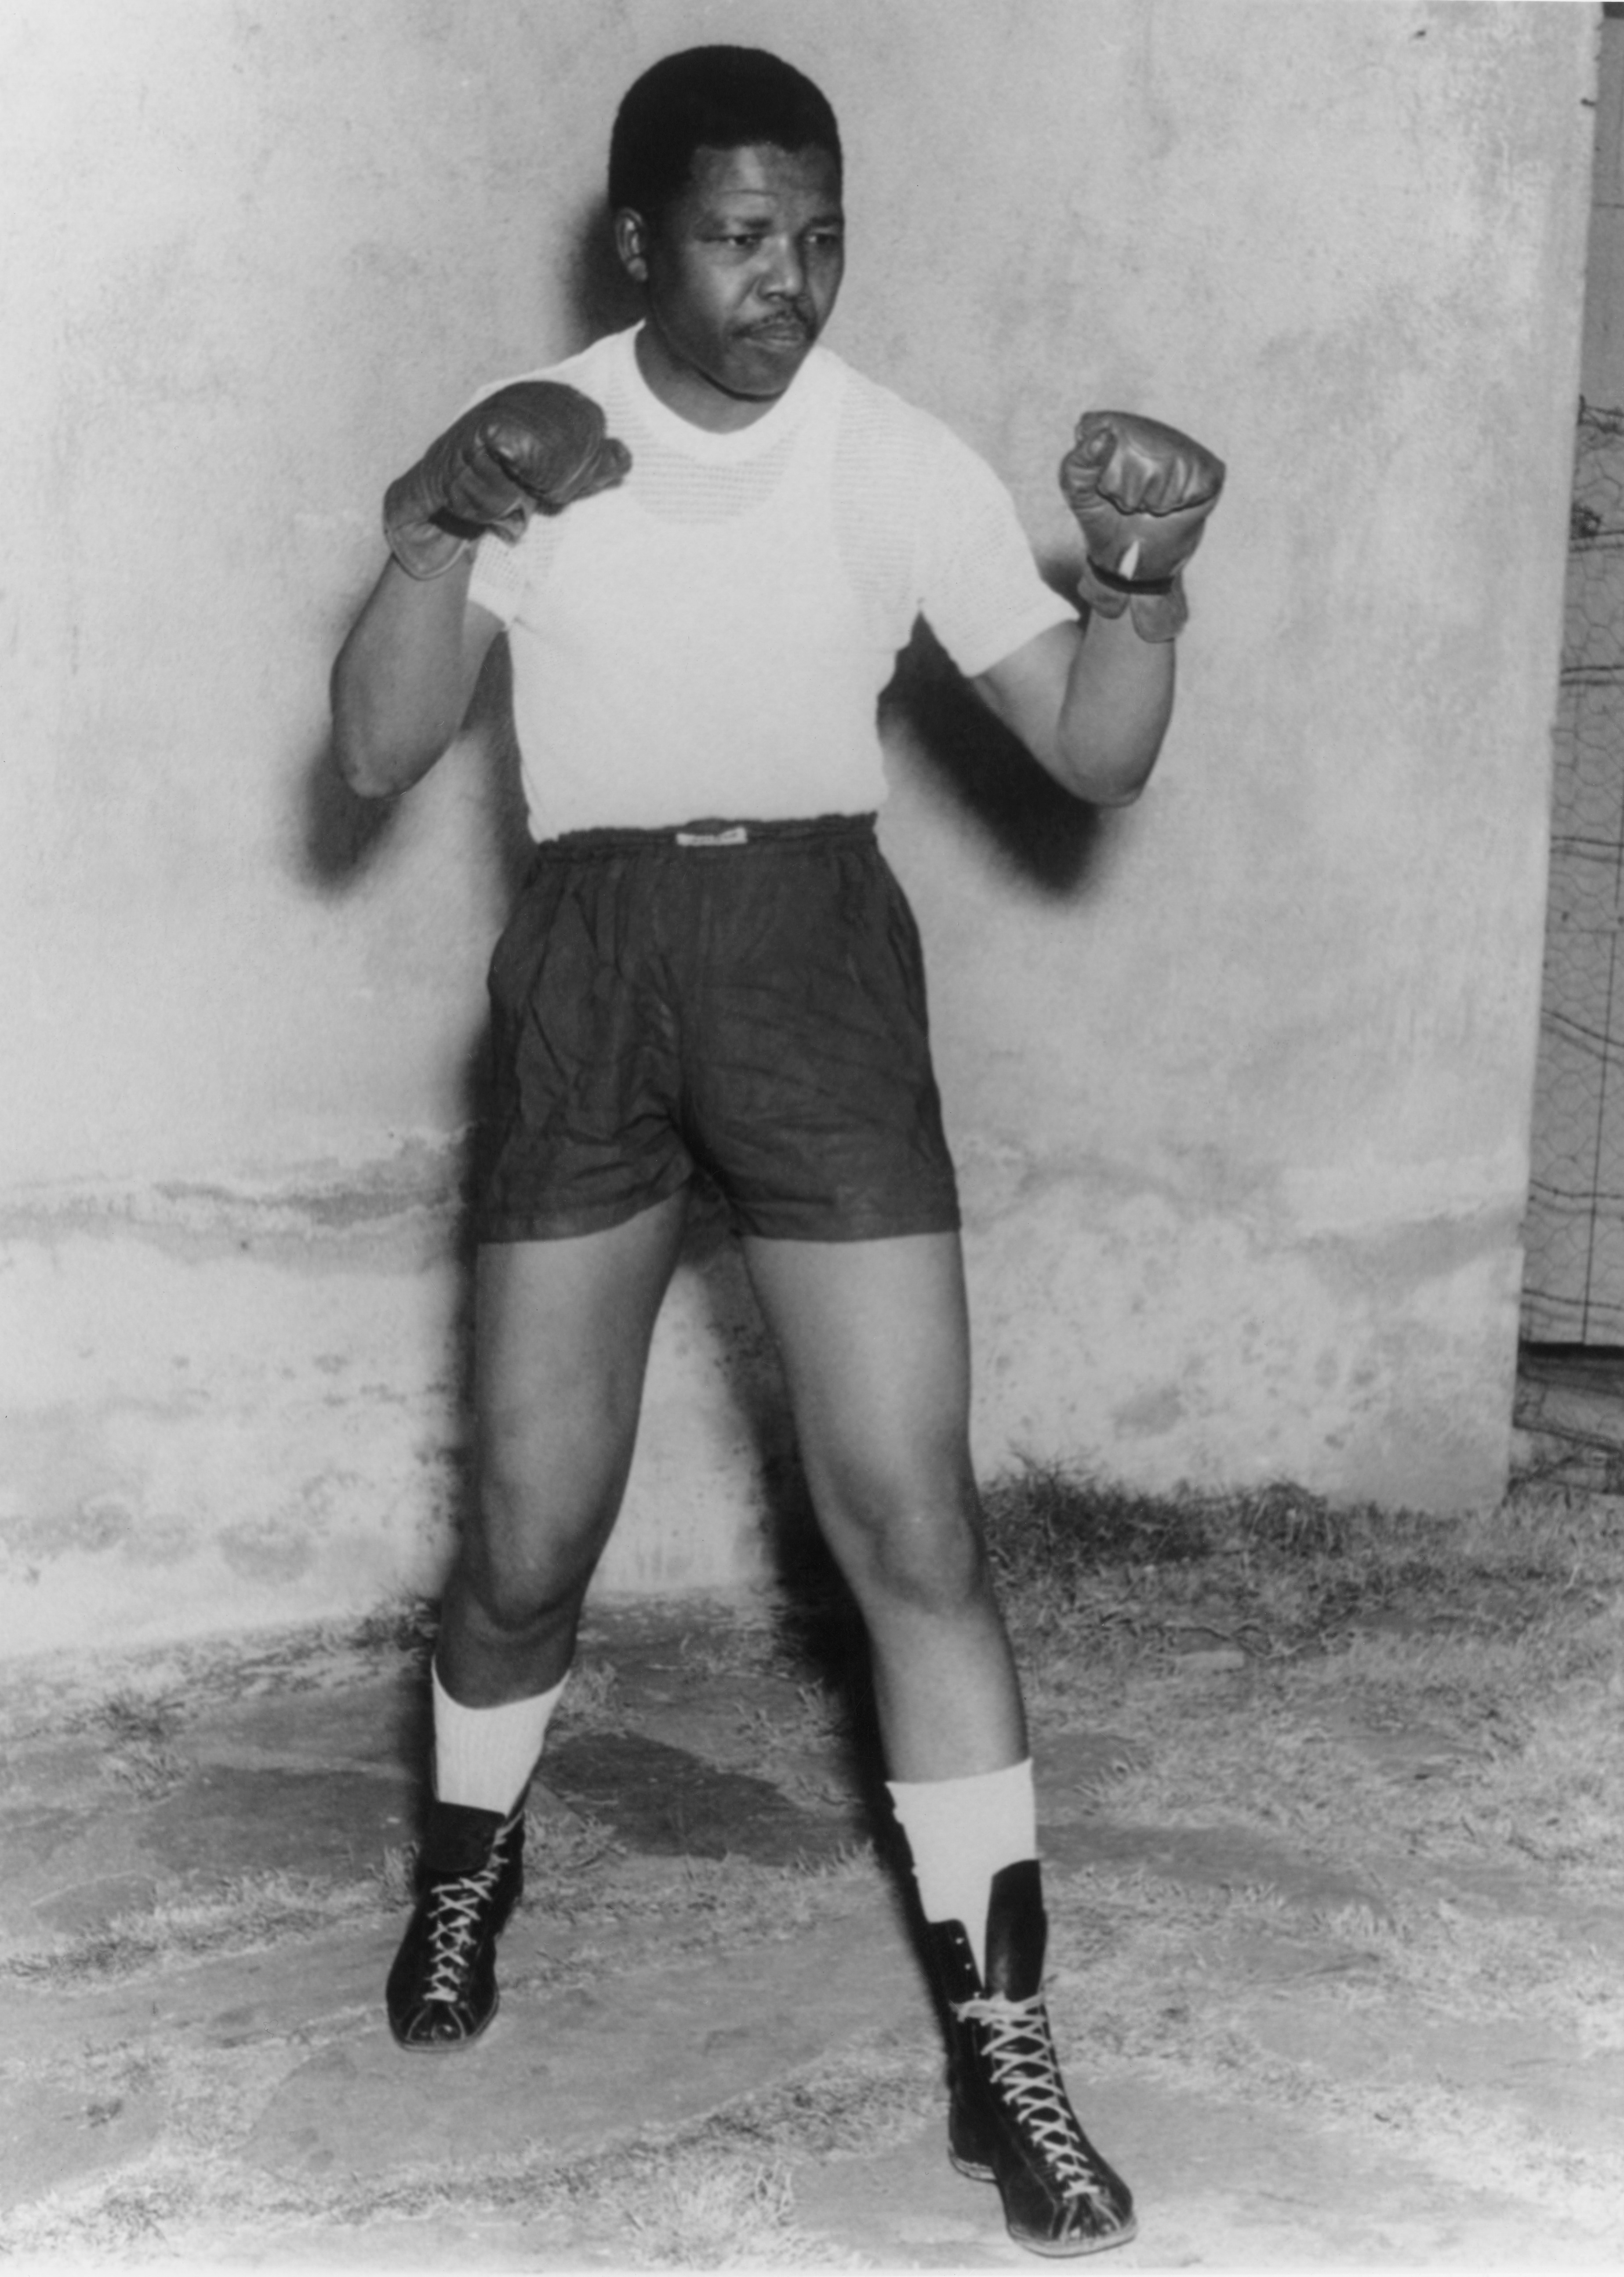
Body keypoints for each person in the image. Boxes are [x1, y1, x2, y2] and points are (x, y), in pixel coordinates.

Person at [330, 43, 1222, 2258]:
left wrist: (1139, 583)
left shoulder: (888, 454)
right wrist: (442, 522)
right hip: (596, 963)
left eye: (820, 235)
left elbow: (1094, 763)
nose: (788, 283)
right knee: (533, 1539)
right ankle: (469, 1875)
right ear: (643, 241)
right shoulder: (543, 435)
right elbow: (371, 749)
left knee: (915, 1520)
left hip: (817, 962)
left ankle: (1004, 2055)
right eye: (741, 238)